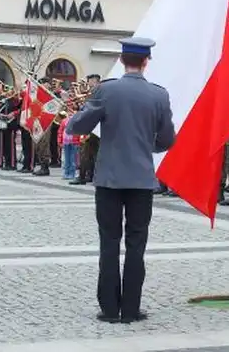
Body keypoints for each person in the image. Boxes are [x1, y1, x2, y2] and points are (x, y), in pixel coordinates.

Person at [66, 37, 175, 324]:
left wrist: (76, 114)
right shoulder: (158, 95)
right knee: (137, 245)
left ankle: (110, 308)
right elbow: (167, 139)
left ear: (123, 60)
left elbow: (79, 126)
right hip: (141, 180)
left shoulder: (107, 90)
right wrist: (146, 147)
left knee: (109, 243)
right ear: (145, 62)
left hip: (110, 180)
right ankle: (130, 309)